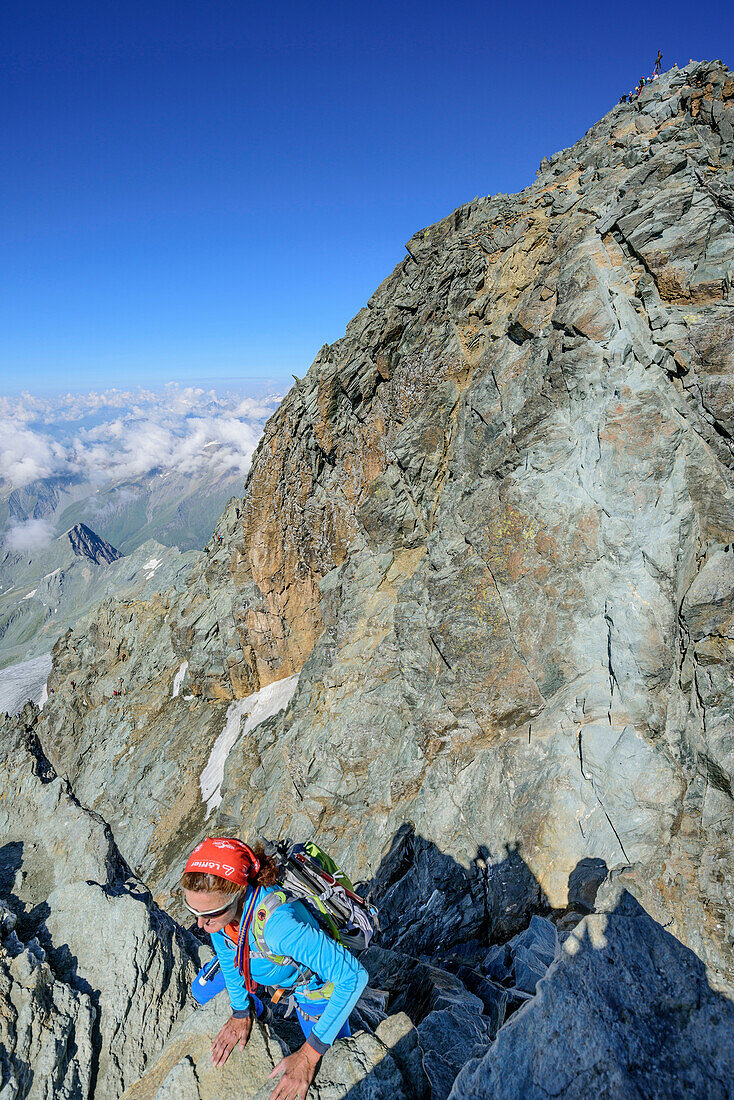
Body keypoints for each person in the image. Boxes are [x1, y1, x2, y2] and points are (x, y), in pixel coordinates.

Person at [181, 837, 368, 1100]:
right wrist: (239, 1011)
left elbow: (354, 976)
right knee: (200, 992)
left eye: (210, 913)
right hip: (254, 958)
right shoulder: (218, 915)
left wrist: (308, 1054)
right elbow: (225, 954)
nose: (200, 924)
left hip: (307, 985)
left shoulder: (280, 928)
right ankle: (259, 1007)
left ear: (237, 893)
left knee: (337, 1056)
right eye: (193, 911)